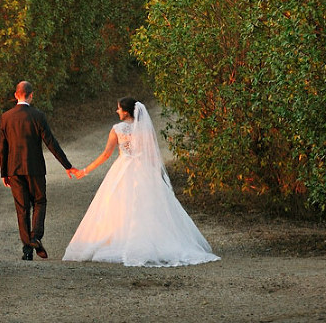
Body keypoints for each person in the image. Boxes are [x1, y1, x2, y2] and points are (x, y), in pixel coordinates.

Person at [63, 96, 220, 268]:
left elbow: (106, 154)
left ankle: (120, 240)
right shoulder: (145, 130)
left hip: (123, 170)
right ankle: (152, 241)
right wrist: (157, 176)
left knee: (117, 204)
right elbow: (152, 155)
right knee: (148, 206)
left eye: (119, 108)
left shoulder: (117, 129)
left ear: (126, 112)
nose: (117, 111)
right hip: (143, 169)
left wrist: (84, 171)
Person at [0, 80, 78, 261]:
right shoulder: (38, 116)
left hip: (14, 169)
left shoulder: (6, 117)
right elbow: (51, 142)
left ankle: (27, 250)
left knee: (22, 208)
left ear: (15, 95)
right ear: (31, 95)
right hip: (35, 168)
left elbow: (3, 147)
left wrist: (4, 172)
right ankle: (35, 237)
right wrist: (67, 165)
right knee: (39, 201)